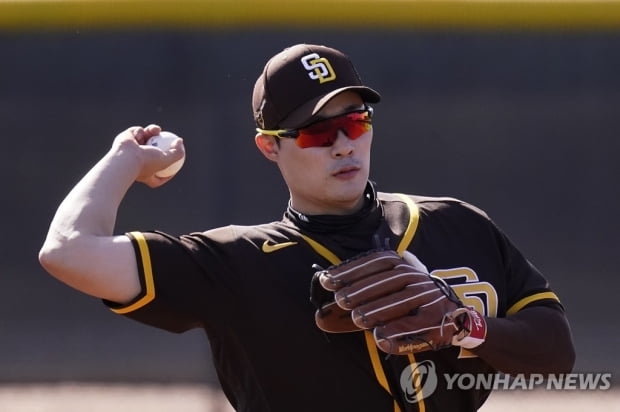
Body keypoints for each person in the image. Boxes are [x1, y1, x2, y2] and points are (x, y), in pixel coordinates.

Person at [39, 43, 575, 412]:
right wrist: (123, 160)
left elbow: (556, 353)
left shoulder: (456, 224)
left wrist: (466, 326)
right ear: (269, 146)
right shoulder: (235, 264)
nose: (344, 144)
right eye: (318, 133)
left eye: (354, 122)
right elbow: (67, 251)